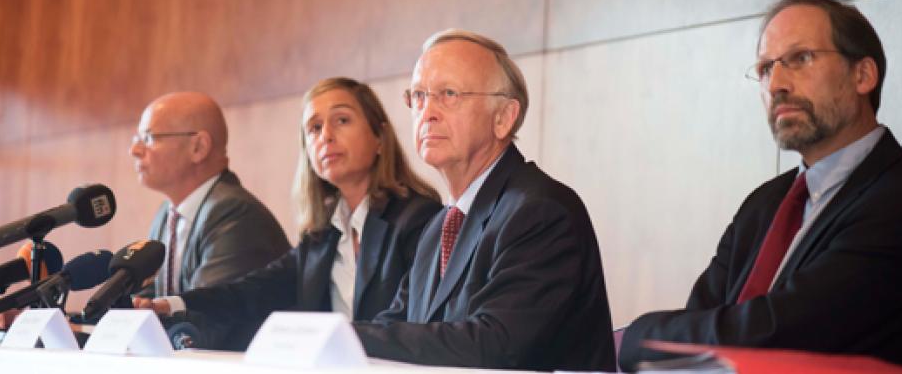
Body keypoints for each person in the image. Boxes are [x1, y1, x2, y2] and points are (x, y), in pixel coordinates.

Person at [619, 0, 902, 370]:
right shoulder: (764, 204)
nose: (777, 85)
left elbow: (777, 335)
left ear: (862, 75)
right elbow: (697, 338)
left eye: (801, 58)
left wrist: (639, 335)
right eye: (766, 68)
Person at [353, 30, 616, 371]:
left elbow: (496, 346)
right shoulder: (438, 227)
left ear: (503, 118)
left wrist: (353, 337)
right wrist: (336, 339)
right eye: (418, 95)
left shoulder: (541, 212)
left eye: (448, 94)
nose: (427, 112)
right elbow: (399, 327)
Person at [135, 78, 441, 350]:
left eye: (342, 120)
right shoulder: (321, 237)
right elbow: (250, 292)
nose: (326, 137)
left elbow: (411, 323)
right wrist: (171, 304)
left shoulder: (418, 218)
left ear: (379, 138)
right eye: (314, 128)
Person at [130, 92, 290, 303]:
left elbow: (205, 311)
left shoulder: (234, 214)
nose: (135, 150)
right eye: (138, 139)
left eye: (149, 138)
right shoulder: (167, 214)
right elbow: (149, 294)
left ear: (198, 147)